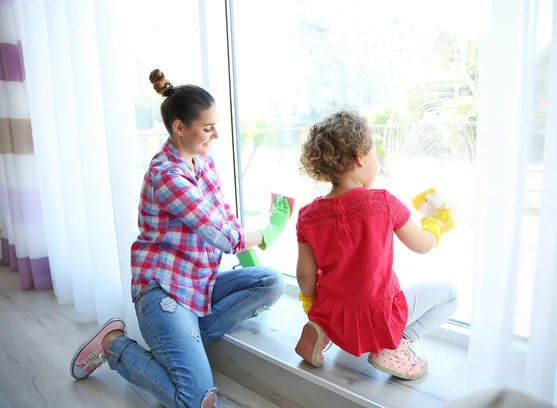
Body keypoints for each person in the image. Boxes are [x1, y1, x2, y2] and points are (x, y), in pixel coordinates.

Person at [69, 70, 288, 408]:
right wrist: (270, 231)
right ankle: (113, 344)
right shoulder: (167, 176)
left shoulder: (203, 162)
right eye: (207, 127)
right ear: (179, 127)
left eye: (215, 125)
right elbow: (223, 235)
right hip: (164, 290)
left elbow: (225, 215)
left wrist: (248, 237)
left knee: (271, 282)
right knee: (199, 400)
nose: (215, 134)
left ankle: (185, 336)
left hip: (200, 282)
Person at [294, 110, 458, 380]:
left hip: (335, 312)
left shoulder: (307, 217)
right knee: (450, 295)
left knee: (330, 303)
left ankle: (321, 329)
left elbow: (305, 276)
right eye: (374, 155)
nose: (377, 162)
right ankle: (394, 346)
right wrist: (434, 225)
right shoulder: (384, 202)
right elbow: (422, 245)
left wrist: (312, 304)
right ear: (360, 156)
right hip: (379, 316)